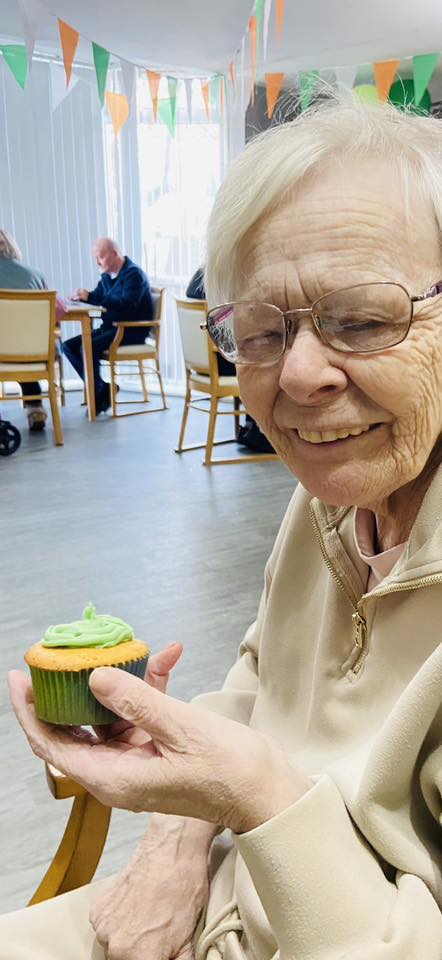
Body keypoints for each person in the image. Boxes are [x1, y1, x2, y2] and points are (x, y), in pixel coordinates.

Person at [6, 93, 442, 959]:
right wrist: (178, 831)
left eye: (362, 318)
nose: (300, 376)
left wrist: (256, 795)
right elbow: (261, 670)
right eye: (260, 332)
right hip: (220, 899)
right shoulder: (332, 495)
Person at [186, 266, 275, 453]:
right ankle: (262, 432)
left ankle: (255, 429)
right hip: (223, 363)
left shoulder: (199, 284)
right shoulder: (224, 288)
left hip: (203, 365)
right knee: (264, 361)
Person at [63, 238, 153, 414]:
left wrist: (93, 298)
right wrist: (82, 297)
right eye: (96, 258)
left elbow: (127, 304)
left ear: (115, 254)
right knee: (68, 346)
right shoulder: (106, 276)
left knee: (87, 347)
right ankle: (102, 390)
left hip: (130, 330)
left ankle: (99, 394)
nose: (98, 262)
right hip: (111, 329)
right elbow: (97, 297)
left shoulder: (134, 274)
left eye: (101, 257)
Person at [0, 230, 58, 431]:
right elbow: (55, 313)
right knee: (22, 345)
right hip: (36, 352)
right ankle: (36, 408)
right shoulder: (36, 275)